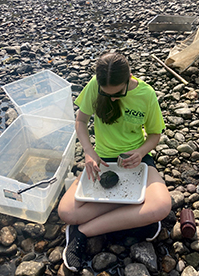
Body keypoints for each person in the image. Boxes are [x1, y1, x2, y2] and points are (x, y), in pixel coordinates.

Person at [58, 52, 171, 272]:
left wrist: (140, 152)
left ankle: (82, 233)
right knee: (66, 212)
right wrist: (89, 153)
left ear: (129, 77)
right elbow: (81, 121)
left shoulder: (146, 94)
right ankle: (132, 214)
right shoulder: (94, 85)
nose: (112, 99)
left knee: (162, 205)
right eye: (106, 93)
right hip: (102, 160)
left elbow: (155, 135)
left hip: (136, 160)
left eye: (118, 93)